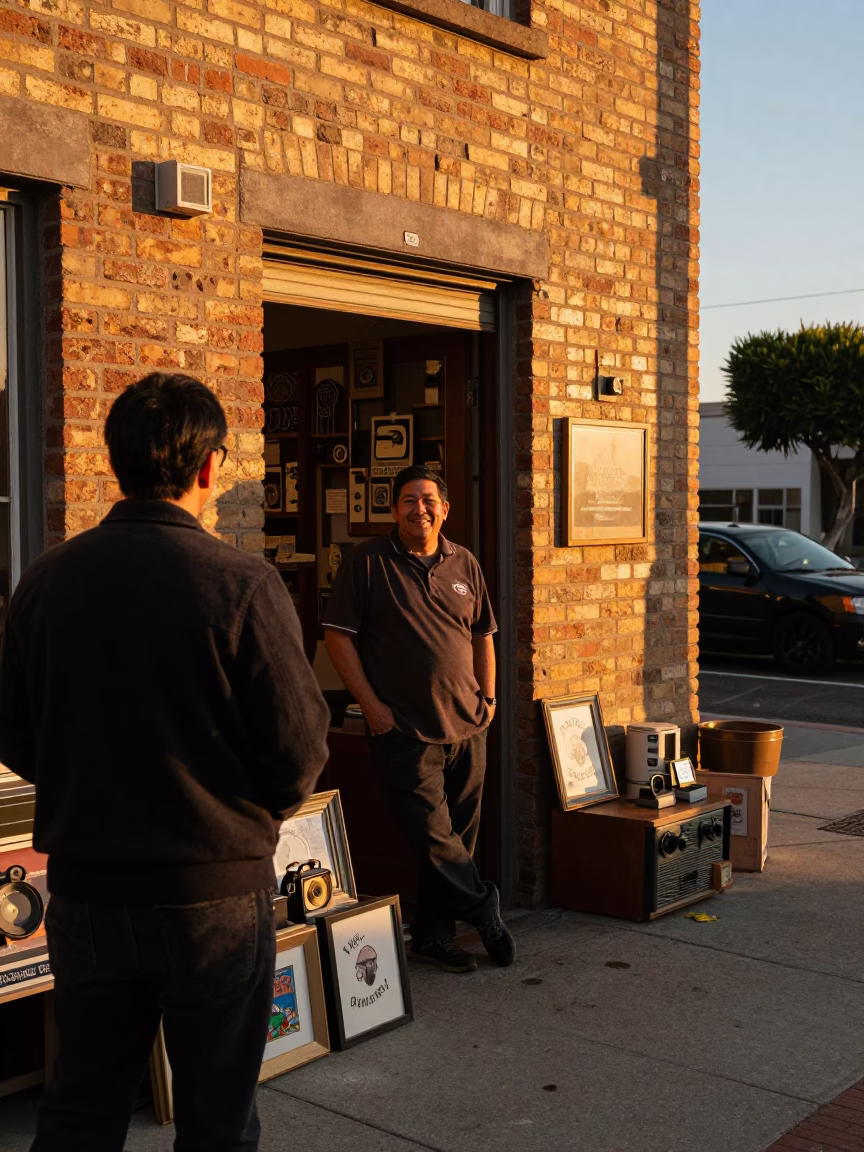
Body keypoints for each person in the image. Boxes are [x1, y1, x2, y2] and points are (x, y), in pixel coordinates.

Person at [0, 373, 331, 1152]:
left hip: (87, 890)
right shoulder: (242, 584)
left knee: (82, 1109)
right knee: (216, 1117)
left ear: (117, 462)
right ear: (212, 465)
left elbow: (15, 736)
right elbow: (300, 749)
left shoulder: (44, 582)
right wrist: (245, 813)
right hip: (212, 892)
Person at [323, 465, 515, 974]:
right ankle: (485, 913)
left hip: (468, 724)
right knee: (434, 836)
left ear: (445, 509)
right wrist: (371, 707)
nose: (419, 508)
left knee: (458, 839)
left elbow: (483, 636)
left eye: (429, 500)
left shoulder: (464, 563)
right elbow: (337, 638)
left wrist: (489, 701)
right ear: (394, 510)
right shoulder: (367, 562)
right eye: (408, 500)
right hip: (404, 730)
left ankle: (433, 938)